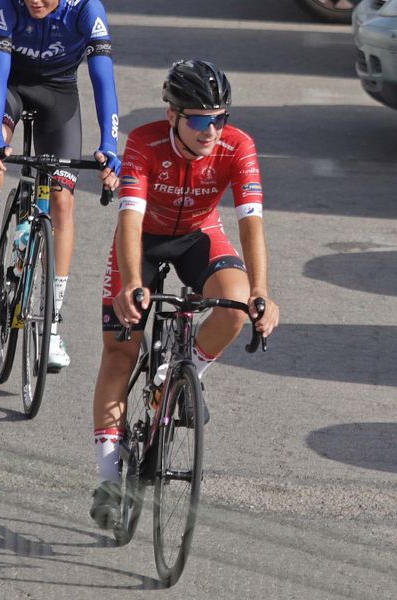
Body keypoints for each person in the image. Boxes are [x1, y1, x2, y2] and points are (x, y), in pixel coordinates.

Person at [88, 60, 280, 529]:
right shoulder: (144, 142)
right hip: (144, 242)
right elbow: (130, 220)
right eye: (198, 119)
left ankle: (183, 376)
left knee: (234, 309)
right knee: (120, 353)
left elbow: (251, 221)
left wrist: (260, 292)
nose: (210, 129)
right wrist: (133, 283)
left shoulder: (239, 147)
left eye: (219, 118)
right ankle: (110, 477)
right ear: (172, 114)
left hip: (199, 234)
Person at [0, 0, 121, 374]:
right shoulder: (5, 4)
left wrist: (110, 145)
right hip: (12, 87)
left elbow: (103, 83)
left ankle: (52, 324)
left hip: (58, 94)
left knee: (62, 201)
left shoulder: (87, 9)